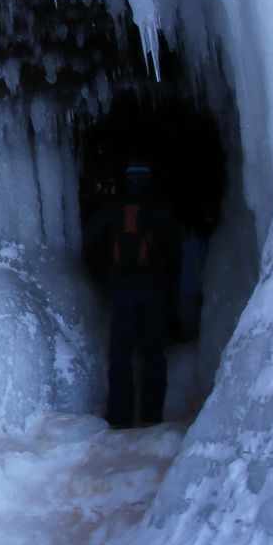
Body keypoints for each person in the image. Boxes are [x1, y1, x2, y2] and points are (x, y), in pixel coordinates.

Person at [82, 160, 182, 428]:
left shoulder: (115, 207)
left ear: (128, 180)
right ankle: (151, 416)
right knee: (154, 354)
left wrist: (106, 275)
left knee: (121, 355)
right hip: (155, 291)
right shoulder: (161, 209)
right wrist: (171, 288)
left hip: (123, 291)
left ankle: (120, 417)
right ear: (148, 180)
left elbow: (90, 237)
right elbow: (176, 251)